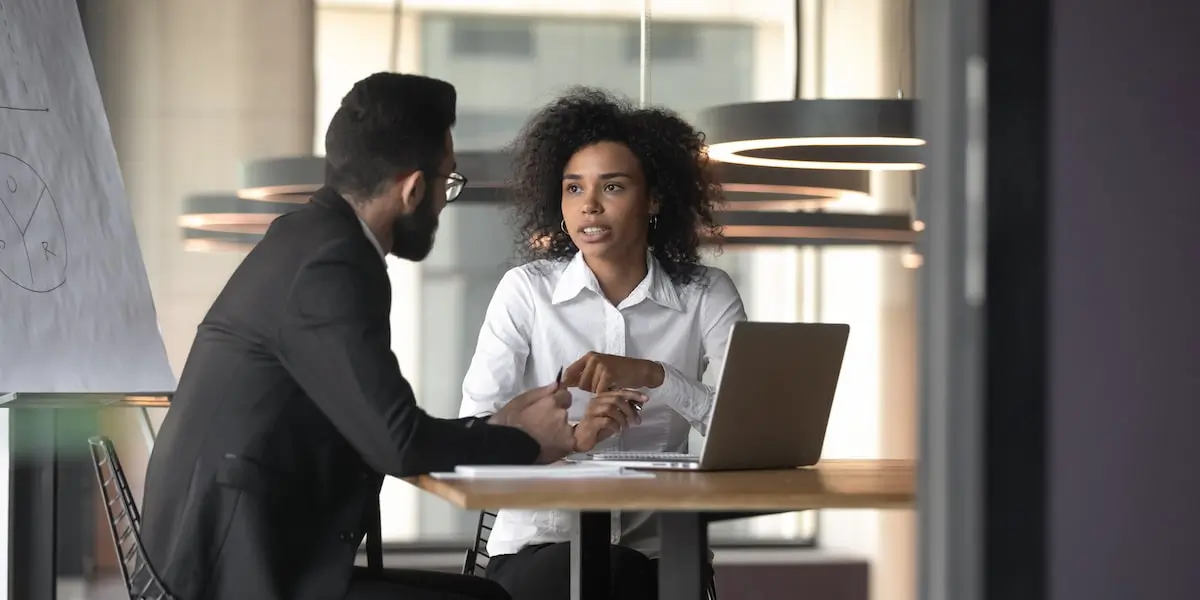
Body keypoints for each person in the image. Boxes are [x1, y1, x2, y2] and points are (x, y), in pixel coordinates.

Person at [140, 72, 577, 600]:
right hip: (231, 572)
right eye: (447, 184)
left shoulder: (307, 239)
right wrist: (527, 442)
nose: (443, 202)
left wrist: (495, 424)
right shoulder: (334, 263)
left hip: (238, 549)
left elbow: (377, 423)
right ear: (413, 188)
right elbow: (397, 443)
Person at [458, 88, 747, 600]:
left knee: (627, 574)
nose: (589, 204)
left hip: (664, 550)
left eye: (612, 186)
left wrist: (655, 376)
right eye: (574, 188)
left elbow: (743, 428)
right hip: (539, 546)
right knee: (615, 576)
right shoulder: (526, 291)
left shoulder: (706, 295)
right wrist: (568, 436)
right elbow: (477, 424)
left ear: (654, 198)